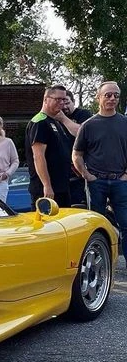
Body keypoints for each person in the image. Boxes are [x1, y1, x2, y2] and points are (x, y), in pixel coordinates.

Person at [73, 81, 127, 249]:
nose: (112, 99)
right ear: (98, 98)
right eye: (108, 95)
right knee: (96, 227)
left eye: (116, 96)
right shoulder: (88, 125)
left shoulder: (124, 123)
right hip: (96, 183)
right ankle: (98, 262)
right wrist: (87, 176)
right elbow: (77, 155)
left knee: (126, 225)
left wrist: (126, 175)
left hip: (121, 181)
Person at [24, 85, 80, 207]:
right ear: (46, 99)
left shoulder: (56, 122)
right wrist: (47, 185)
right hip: (47, 190)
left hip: (62, 186)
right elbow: (38, 156)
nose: (62, 103)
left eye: (64, 100)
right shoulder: (39, 122)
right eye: (57, 99)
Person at [63, 90, 93, 205]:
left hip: (80, 170)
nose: (64, 106)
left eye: (67, 102)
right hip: (64, 172)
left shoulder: (83, 114)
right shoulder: (54, 118)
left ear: (73, 102)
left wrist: (63, 118)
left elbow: (82, 134)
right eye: (62, 103)